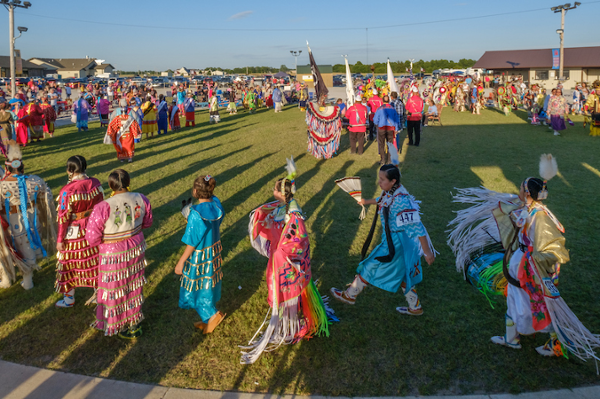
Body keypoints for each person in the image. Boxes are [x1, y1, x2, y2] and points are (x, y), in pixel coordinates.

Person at [448, 155, 600, 361]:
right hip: (521, 263)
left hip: (530, 268)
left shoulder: (540, 217)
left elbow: (553, 247)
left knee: (536, 303)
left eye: (521, 188)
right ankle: (512, 338)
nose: (518, 191)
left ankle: (555, 342)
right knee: (515, 298)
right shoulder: (530, 209)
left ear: (528, 193)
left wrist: (534, 264)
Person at [242, 157, 331, 364]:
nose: (273, 193)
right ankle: (290, 318)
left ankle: (291, 326)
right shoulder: (284, 204)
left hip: (288, 261)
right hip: (280, 257)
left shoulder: (293, 212)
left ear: (281, 193)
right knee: (282, 288)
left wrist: (283, 253)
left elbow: (299, 237)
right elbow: (274, 215)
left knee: (286, 289)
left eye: (275, 190)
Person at [330, 164, 436, 315]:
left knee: (371, 265)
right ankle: (415, 307)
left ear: (393, 181)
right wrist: (366, 201)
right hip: (399, 240)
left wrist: (427, 252)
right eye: (379, 178)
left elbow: (417, 227)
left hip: (396, 243)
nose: (379, 182)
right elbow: (383, 199)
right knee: (405, 273)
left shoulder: (401, 201)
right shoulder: (392, 191)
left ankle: (350, 295)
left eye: (382, 179)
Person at [87, 169, 153, 338]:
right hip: (135, 247)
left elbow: (92, 238)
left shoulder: (103, 207)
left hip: (112, 252)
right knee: (133, 283)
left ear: (111, 185)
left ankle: (117, 324)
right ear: (128, 181)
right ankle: (133, 324)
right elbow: (148, 222)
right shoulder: (141, 198)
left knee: (114, 287)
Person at [0, 141, 56, 289]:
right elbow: (48, 197)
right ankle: (28, 275)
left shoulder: (2, 185)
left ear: (7, 168)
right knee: (29, 244)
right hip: (33, 218)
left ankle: (28, 280)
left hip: (14, 222)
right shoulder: (35, 180)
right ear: (22, 166)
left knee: (21, 248)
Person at [175, 175, 225, 334]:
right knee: (208, 283)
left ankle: (212, 314)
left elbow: (192, 240)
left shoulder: (196, 213)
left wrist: (182, 261)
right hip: (213, 253)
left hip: (199, 256)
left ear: (195, 191)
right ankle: (207, 317)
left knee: (196, 286)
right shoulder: (217, 205)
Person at [55, 156, 104, 307]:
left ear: (69, 170)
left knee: (67, 262)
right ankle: (98, 293)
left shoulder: (66, 191)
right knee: (95, 259)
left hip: (74, 229)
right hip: (93, 227)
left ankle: (69, 299)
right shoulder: (95, 183)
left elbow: (63, 218)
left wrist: (60, 239)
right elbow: (102, 207)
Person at [104, 99, 142, 163]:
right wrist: (136, 131)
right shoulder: (131, 112)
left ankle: (122, 158)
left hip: (120, 133)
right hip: (128, 133)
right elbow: (136, 120)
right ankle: (129, 157)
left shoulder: (116, 113)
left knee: (121, 145)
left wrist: (111, 131)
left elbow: (111, 122)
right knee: (129, 145)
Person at [373, 95, 400, 165]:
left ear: (382, 101)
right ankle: (389, 160)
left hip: (381, 128)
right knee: (390, 144)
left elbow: (375, 120)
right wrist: (396, 129)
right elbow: (396, 120)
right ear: (389, 101)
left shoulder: (379, 109)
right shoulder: (392, 109)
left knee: (381, 144)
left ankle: (382, 160)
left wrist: (378, 124)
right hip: (390, 128)